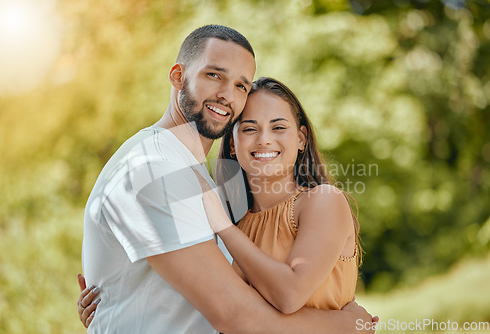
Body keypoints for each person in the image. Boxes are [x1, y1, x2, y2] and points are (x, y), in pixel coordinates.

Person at [78, 24, 376, 333]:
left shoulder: (205, 183)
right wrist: (346, 324)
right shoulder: (157, 167)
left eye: (240, 86)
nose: (226, 95)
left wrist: (115, 302)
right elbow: (237, 314)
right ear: (178, 76)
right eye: (214, 75)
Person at [196, 77, 360, 314]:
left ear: (301, 139)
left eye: (279, 127)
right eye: (250, 128)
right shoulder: (235, 223)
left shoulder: (324, 201)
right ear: (233, 143)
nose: (264, 139)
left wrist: (223, 226)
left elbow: (289, 296)